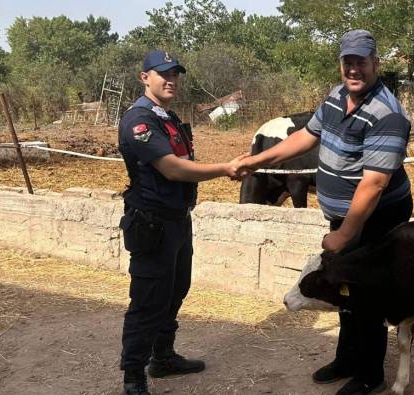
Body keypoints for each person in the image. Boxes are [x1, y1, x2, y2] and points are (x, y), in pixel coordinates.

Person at [232, 29, 413, 395]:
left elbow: (374, 185)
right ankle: (347, 358)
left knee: (366, 293)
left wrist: (345, 234)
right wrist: (257, 161)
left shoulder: (388, 114)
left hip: (376, 217)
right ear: (341, 63)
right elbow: (306, 136)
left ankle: (369, 373)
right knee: (342, 289)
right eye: (348, 61)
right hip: (344, 216)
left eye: (361, 61)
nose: (354, 69)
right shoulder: (336, 95)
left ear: (376, 63)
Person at [117, 50, 244, 395]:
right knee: (148, 300)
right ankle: (133, 376)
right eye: (163, 74)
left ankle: (163, 357)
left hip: (176, 221)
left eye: (175, 74)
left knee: (175, 291)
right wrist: (224, 168)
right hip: (152, 224)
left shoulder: (166, 116)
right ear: (145, 77)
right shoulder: (139, 121)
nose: (171, 79)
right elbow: (171, 167)